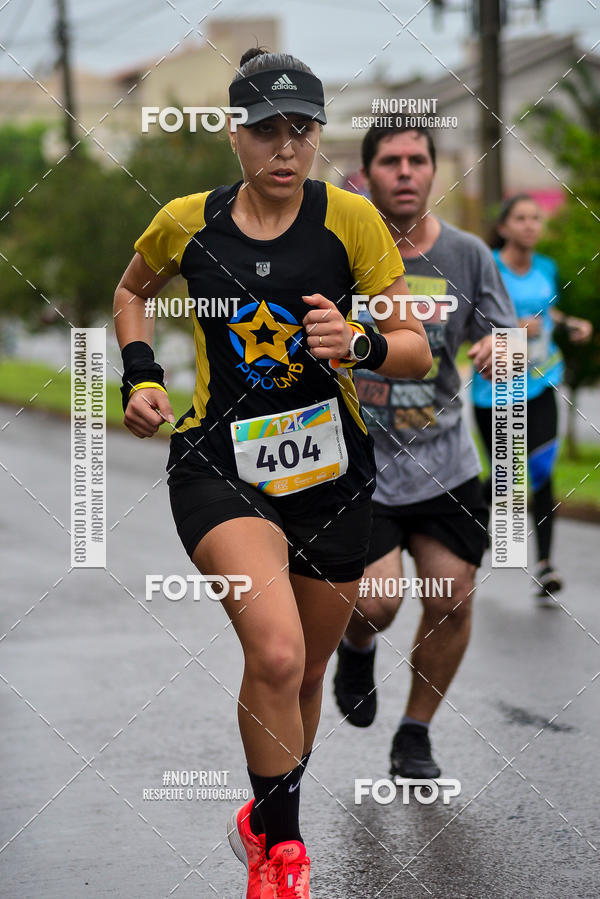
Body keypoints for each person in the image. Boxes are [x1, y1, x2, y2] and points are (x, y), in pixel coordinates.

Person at [113, 52, 431, 899]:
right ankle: (284, 855)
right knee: (278, 650)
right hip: (222, 468)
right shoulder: (187, 221)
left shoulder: (352, 221)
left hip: (330, 477)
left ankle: (265, 816)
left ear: (318, 135)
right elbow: (130, 292)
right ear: (234, 133)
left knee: (307, 673)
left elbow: (416, 348)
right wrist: (141, 376)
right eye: (266, 130)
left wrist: (358, 344)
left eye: (302, 130)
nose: (285, 148)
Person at [333, 125, 517, 780]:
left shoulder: (467, 255)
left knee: (453, 597)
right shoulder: (339, 247)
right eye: (391, 161)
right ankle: (357, 646)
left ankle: (415, 732)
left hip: (444, 463)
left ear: (435, 172)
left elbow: (509, 334)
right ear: (368, 172)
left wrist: (501, 348)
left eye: (418, 160)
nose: (405, 172)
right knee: (378, 601)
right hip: (362, 463)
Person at [472, 194, 592, 602]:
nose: (529, 225)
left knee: (539, 468)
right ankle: (474, 515)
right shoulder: (486, 264)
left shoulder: (546, 267)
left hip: (540, 381)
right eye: (520, 218)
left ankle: (545, 565)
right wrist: (508, 325)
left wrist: (568, 322)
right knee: (505, 473)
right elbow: (470, 315)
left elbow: (548, 311)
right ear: (504, 227)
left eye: (535, 218)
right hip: (496, 387)